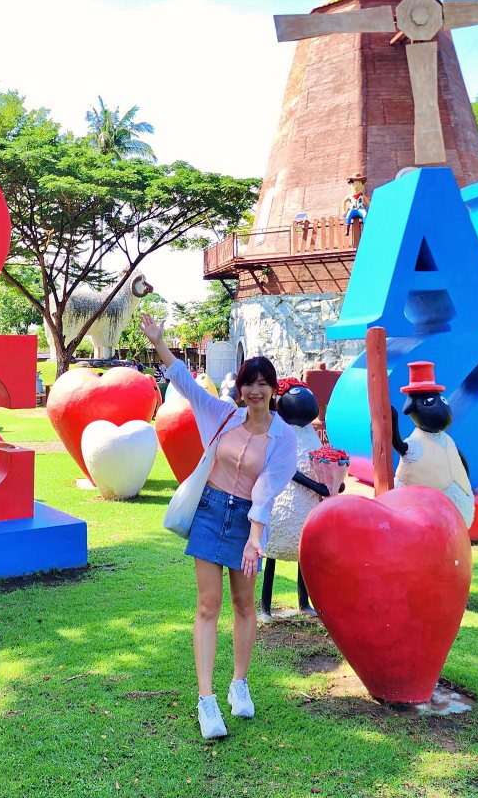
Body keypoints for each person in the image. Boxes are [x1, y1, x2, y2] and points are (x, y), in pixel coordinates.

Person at [141, 312, 296, 740]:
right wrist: (158, 341)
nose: (255, 390)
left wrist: (255, 539)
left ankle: (239, 684)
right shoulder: (223, 415)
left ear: (273, 389)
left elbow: (266, 488)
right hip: (211, 510)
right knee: (208, 605)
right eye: (249, 382)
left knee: (245, 605)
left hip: (247, 518)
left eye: (264, 383)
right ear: (240, 387)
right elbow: (184, 383)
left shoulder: (283, 438)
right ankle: (207, 701)